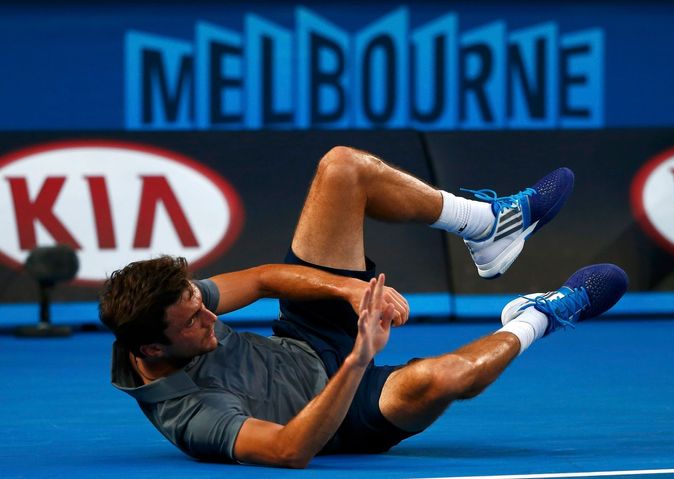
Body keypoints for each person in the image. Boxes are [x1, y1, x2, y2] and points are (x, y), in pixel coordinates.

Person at [100, 146, 628, 468]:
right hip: (343, 415)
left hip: (302, 337)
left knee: (343, 168)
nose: (211, 315)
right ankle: (541, 314)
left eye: (201, 301)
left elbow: (261, 279)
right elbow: (289, 449)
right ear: (152, 347)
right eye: (195, 320)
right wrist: (358, 360)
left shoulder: (171, 309)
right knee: (446, 379)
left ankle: (488, 224)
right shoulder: (189, 413)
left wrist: (345, 290)